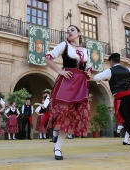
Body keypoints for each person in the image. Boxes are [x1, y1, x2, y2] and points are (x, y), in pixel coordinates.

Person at [44, 25, 92, 160]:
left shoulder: (85, 50)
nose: (69, 32)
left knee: (71, 114)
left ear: (79, 33)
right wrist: (60, 71)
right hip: (67, 81)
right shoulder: (64, 45)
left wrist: (88, 73)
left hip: (80, 83)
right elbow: (47, 57)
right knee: (63, 112)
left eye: (72, 30)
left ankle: (58, 147)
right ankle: (56, 139)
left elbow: (88, 66)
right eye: (68, 31)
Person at [94, 53, 130, 150]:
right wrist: (127, 78)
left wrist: (107, 78)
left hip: (121, 98)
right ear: (119, 60)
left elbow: (96, 77)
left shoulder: (110, 71)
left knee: (126, 122)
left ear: (111, 61)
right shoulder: (127, 70)